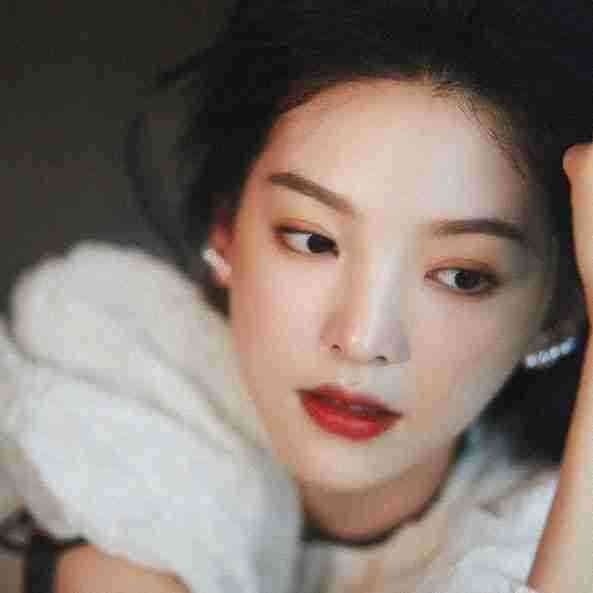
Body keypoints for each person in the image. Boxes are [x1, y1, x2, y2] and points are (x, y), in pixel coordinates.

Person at [1, 1, 592, 592]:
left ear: (559, 313)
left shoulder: (543, 533)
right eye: (313, 240)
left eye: (462, 276)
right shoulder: (118, 357)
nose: (361, 339)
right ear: (226, 228)